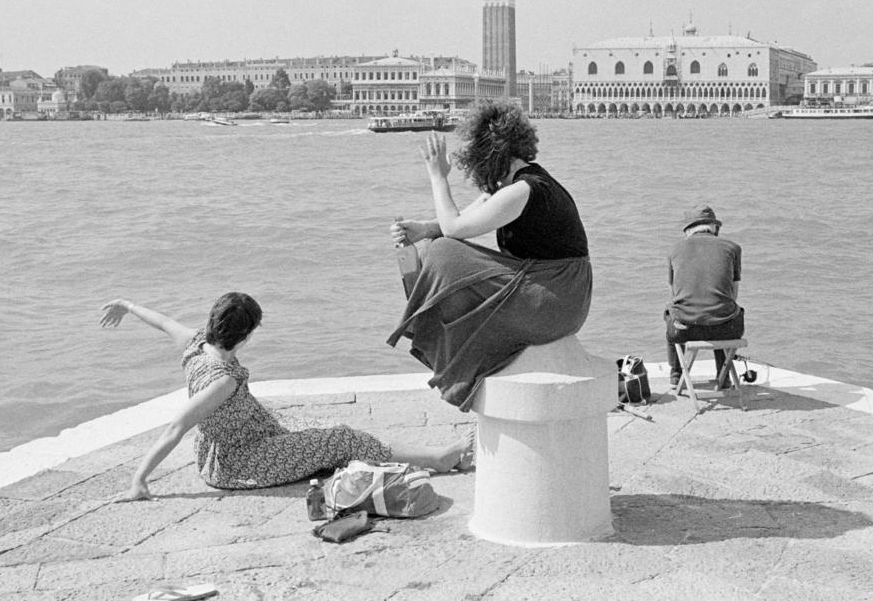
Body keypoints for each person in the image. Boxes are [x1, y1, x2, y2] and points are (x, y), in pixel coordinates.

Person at [100, 292, 473, 502]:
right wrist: (140, 480)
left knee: (327, 429)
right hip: (240, 462)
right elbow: (175, 428)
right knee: (341, 437)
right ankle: (437, 459)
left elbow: (163, 321)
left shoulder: (196, 344)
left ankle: (407, 456)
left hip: (247, 439)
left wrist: (128, 306)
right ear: (244, 337)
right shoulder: (222, 381)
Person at [388, 99, 593, 411]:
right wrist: (421, 230)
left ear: (490, 155)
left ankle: (439, 341)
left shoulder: (524, 190)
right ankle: (440, 340)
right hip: (550, 288)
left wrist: (438, 176)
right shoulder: (510, 188)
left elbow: (454, 230)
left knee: (442, 252)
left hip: (560, 298)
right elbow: (453, 225)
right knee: (433, 247)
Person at [665, 204, 743, 389]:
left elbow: (674, 295)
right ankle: (723, 376)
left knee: (670, 313)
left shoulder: (674, 250)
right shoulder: (733, 248)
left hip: (684, 329)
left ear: (688, 229)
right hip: (727, 330)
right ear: (714, 227)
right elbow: (733, 294)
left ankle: (676, 374)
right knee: (724, 309)